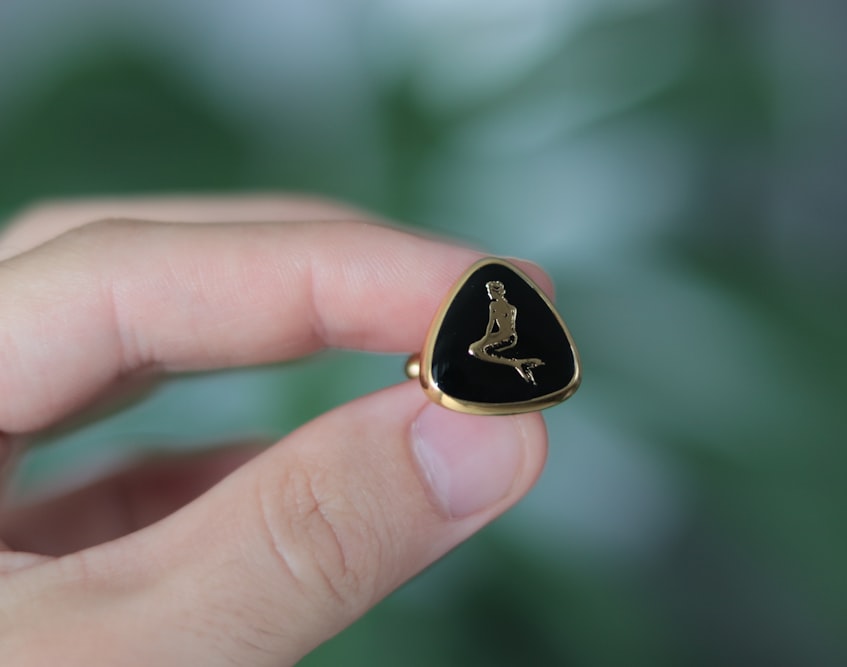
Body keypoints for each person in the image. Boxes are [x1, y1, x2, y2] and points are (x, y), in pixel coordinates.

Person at [0, 195, 550, 665]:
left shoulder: (497, 305)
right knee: (484, 350)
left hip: (474, 359)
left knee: (485, 350)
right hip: (468, 360)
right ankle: (517, 367)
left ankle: (518, 367)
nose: (500, 299)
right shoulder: (492, 305)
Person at [467, 280, 544, 384]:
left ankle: (514, 363)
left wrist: (484, 340)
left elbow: (490, 325)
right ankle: (517, 363)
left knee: (474, 349)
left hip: (503, 337)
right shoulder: (512, 308)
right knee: (481, 350)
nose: (489, 294)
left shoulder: (493, 305)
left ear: (495, 292)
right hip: (511, 337)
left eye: (490, 291)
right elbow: (511, 327)